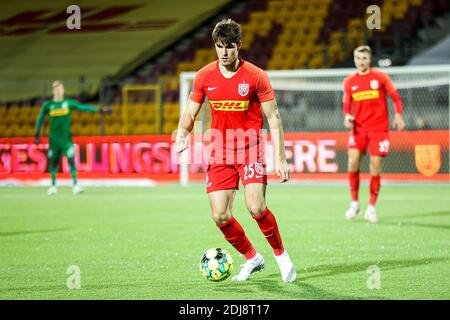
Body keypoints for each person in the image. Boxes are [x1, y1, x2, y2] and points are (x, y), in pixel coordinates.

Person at [175, 19, 296, 282]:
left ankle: (281, 255)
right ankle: (253, 258)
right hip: (219, 151)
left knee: (255, 206)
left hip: (250, 149)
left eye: (229, 47)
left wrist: (281, 159)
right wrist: (182, 135)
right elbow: (190, 111)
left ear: (239, 46)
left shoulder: (255, 76)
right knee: (219, 214)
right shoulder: (204, 76)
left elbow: (274, 117)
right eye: (220, 47)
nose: (224, 52)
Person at [342, 45, 406, 223]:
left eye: (364, 58)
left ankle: (371, 207)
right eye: (357, 58)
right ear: (354, 59)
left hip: (379, 129)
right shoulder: (349, 81)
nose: (360, 62)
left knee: (375, 166)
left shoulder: (380, 77)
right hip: (359, 129)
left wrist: (398, 115)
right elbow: (347, 105)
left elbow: (396, 97)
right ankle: (354, 203)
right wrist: (347, 116)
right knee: (352, 162)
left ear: (369, 60)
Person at [34, 80, 110, 195]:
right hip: (54, 140)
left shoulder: (68, 103)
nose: (58, 90)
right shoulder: (48, 105)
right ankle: (53, 185)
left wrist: (99, 110)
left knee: (71, 160)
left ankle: (75, 184)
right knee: (53, 162)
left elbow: (83, 107)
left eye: (60, 88)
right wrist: (36, 133)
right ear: (53, 91)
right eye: (56, 88)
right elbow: (40, 118)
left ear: (63, 90)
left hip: (66, 140)